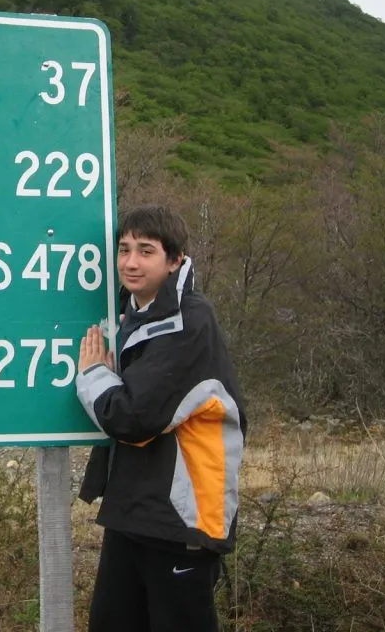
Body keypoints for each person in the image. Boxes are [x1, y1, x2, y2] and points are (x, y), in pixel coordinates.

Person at [75, 204, 247, 632]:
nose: (130, 262)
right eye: (124, 249)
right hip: (134, 511)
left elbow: (134, 418)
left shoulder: (188, 322)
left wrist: (93, 375)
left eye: (146, 251)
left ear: (174, 261)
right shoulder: (133, 313)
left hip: (181, 523)